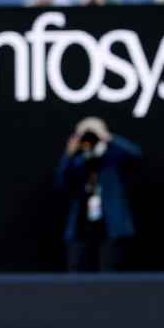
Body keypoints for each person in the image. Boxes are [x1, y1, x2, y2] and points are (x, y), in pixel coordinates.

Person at [56, 117, 142, 273]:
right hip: (82, 227)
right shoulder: (79, 162)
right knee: (74, 271)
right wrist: (68, 155)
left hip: (109, 227)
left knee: (108, 273)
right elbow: (62, 183)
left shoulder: (113, 158)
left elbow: (136, 154)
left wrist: (109, 138)